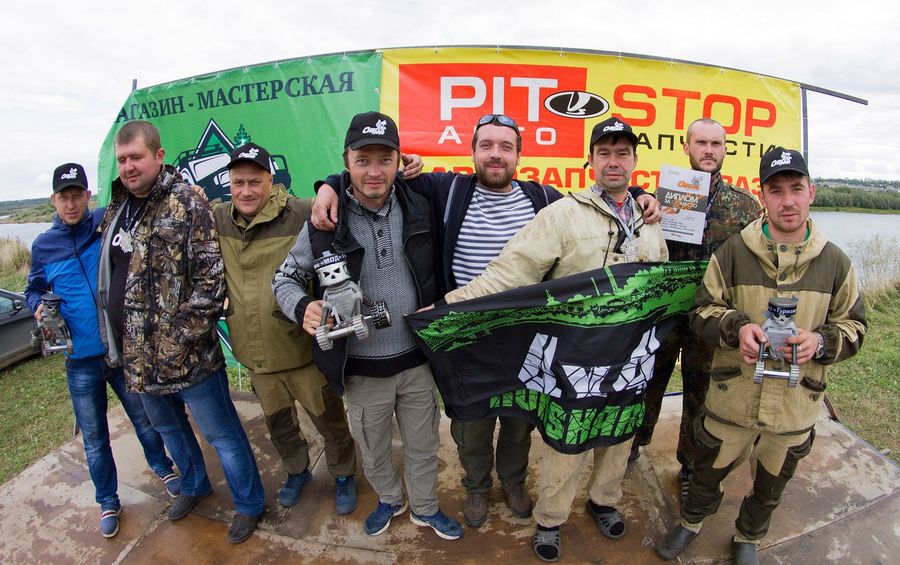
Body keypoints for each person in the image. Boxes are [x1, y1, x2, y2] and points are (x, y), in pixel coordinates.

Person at [312, 114, 662, 529]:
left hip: (524, 339)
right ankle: (476, 485)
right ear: (473, 151)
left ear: (519, 155)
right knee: (470, 423)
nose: (496, 155)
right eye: (487, 146)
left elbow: (602, 199)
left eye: (506, 147)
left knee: (519, 421)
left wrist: (639, 193)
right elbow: (373, 180)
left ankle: (513, 480)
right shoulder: (446, 190)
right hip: (467, 336)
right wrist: (329, 185)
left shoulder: (543, 198)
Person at [444, 117, 668, 562]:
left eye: (622, 153)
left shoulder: (649, 221)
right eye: (604, 153)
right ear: (590, 160)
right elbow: (511, 272)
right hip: (577, 359)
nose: (613, 161)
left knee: (618, 437)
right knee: (568, 442)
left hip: (632, 360)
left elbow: (659, 279)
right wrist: (449, 307)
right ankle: (550, 519)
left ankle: (604, 501)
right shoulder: (562, 214)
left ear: (635, 161)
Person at [656, 148, 866, 565]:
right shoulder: (733, 253)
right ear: (762, 195)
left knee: (771, 486)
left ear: (811, 193)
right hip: (732, 398)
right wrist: (736, 329)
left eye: (796, 189)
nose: (788, 201)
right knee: (705, 472)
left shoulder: (836, 263)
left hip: (793, 407)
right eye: (777, 191)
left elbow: (855, 327)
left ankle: (747, 536)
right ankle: (691, 522)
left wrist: (818, 343)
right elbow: (701, 312)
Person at [273, 111, 463, 540]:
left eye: (385, 159)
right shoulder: (324, 221)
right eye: (363, 160)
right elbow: (283, 279)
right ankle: (391, 500)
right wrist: (302, 307)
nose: (374, 171)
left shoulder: (420, 205)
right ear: (346, 161)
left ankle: (425, 507)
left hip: (417, 362)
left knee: (424, 445)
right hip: (360, 370)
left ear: (400, 161)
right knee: (374, 450)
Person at [96, 120, 265, 544]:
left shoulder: (187, 202)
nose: (128, 167)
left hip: (189, 359)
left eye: (136, 157)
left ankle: (249, 504)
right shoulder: (117, 208)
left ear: (158, 156)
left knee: (222, 435)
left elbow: (211, 282)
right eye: (122, 159)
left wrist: (175, 341)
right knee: (170, 431)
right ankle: (193, 485)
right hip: (137, 358)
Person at [25, 163, 179, 539]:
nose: (71, 203)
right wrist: (37, 306)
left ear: (88, 196)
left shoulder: (103, 223)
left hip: (120, 350)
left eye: (77, 195)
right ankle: (108, 500)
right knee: (95, 439)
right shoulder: (43, 246)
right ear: (53, 200)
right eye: (64, 197)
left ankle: (164, 468)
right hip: (80, 361)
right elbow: (33, 289)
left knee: (145, 420)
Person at [212, 142, 358, 514]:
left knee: (330, 421)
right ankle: (296, 471)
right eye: (238, 183)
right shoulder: (219, 218)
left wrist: (328, 187)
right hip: (256, 356)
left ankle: (343, 474)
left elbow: (349, 197)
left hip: (301, 350)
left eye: (255, 182)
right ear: (229, 184)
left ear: (270, 180)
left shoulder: (300, 213)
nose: (246, 191)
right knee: (279, 425)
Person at [633, 118, 761, 500]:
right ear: (686, 147)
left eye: (716, 144)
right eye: (701, 143)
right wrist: (646, 206)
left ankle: (689, 465)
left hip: (711, 318)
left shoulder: (744, 206)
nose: (708, 150)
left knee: (700, 394)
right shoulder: (661, 197)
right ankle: (634, 444)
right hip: (665, 313)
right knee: (647, 383)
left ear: (725, 149)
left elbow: (756, 262)